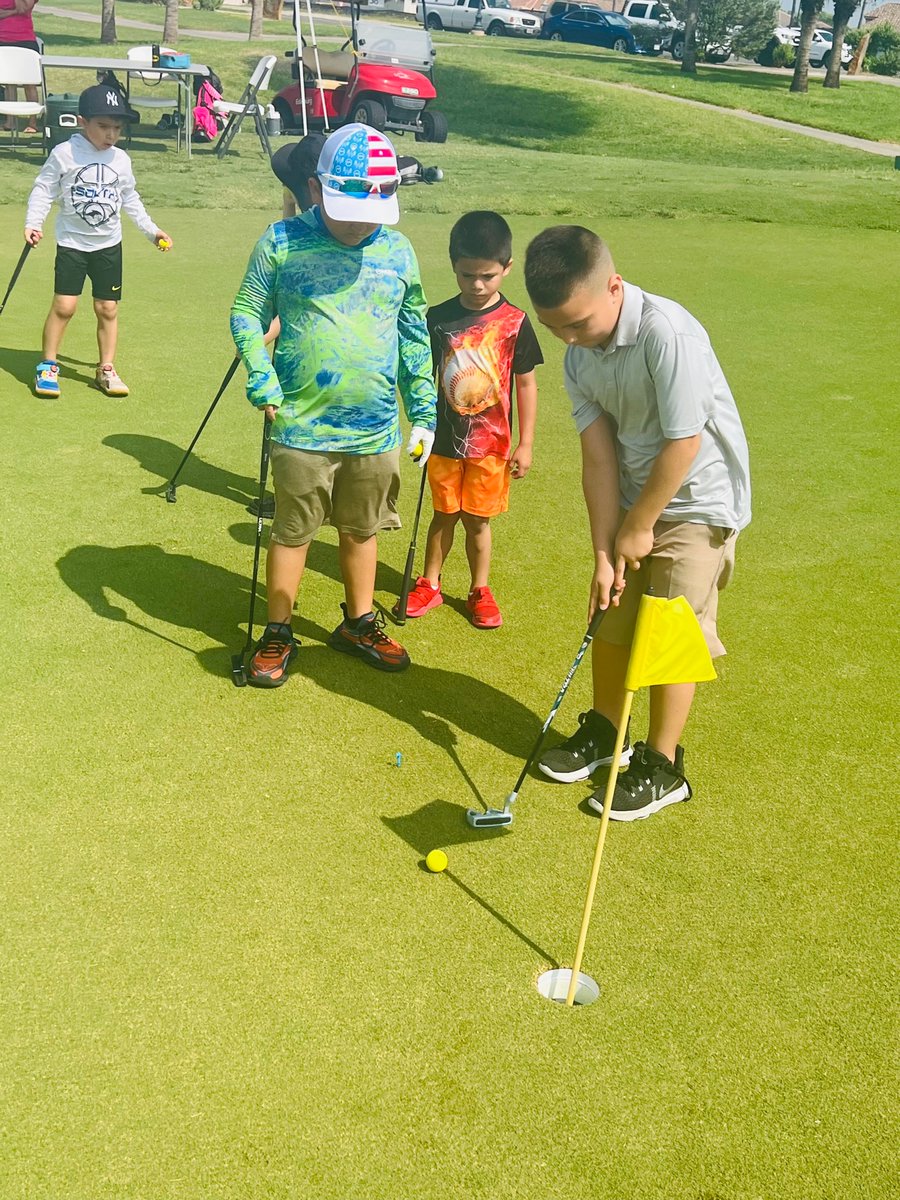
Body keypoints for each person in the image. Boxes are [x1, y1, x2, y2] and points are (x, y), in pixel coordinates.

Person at [523, 225, 750, 821]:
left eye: (579, 323)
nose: (572, 339)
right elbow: (597, 458)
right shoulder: (579, 357)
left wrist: (640, 523)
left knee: (670, 629)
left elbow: (684, 440)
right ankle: (607, 734)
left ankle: (662, 764)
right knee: (612, 615)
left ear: (614, 287)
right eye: (557, 329)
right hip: (631, 501)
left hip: (698, 499)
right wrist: (604, 550)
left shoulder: (666, 334)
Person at [230, 122, 438, 686]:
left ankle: (359, 620)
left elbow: (414, 334)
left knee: (361, 530)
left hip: (375, 427)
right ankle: (277, 630)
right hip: (300, 422)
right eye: (350, 207)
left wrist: (423, 412)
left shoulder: (397, 250)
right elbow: (247, 312)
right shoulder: (282, 241)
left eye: (374, 209)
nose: (363, 222)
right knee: (292, 532)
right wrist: (260, 375)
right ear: (317, 190)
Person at [398, 210, 542, 629]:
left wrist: (526, 443)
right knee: (443, 515)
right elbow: (419, 376)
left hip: (491, 446)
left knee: (478, 520)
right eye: (466, 276)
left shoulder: (515, 323)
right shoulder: (438, 319)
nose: (477, 285)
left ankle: (479, 588)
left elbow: (527, 385)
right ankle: (430, 583)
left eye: (488, 276)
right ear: (453, 266)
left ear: (506, 269)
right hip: (443, 442)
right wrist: (422, 426)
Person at [24, 84, 172, 399]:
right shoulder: (64, 153)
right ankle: (48, 365)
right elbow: (43, 188)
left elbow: (130, 199)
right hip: (72, 244)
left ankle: (106, 368)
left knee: (108, 308)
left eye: (117, 128)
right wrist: (33, 223)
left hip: (108, 246)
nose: (111, 134)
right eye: (103, 126)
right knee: (65, 306)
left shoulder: (121, 160)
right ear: (82, 122)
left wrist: (152, 231)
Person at [0, 0, 40, 135]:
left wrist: (9, 12)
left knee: (30, 84)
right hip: (3, 39)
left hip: (25, 39)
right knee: (8, 83)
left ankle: (32, 123)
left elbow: (23, 7)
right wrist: (13, 11)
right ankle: (10, 122)